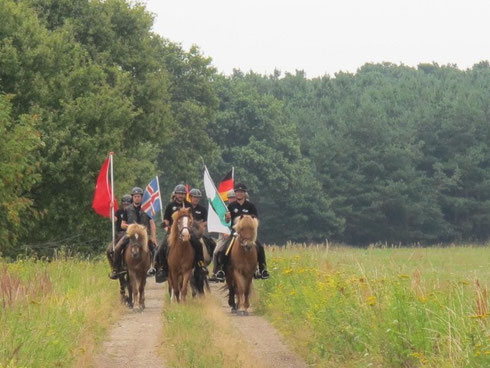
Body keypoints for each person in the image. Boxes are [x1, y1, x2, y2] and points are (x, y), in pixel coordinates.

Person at [211, 183, 269, 281]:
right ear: (235, 193)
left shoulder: (251, 206)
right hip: (235, 233)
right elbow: (226, 222)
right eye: (237, 192)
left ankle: (263, 269)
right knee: (224, 249)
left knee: (260, 247)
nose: (239, 194)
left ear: (244, 193)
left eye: (241, 192)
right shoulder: (231, 206)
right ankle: (221, 270)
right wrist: (227, 219)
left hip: (248, 234)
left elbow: (256, 220)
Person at [154, 184, 208, 282]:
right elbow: (166, 219)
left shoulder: (189, 205)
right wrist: (166, 225)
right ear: (175, 194)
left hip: (187, 231)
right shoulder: (171, 205)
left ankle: (200, 265)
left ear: (185, 195)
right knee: (162, 247)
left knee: (198, 244)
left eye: (183, 194)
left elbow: (193, 218)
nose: (181, 195)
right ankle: (162, 267)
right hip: (172, 232)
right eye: (179, 193)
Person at [109, 187, 157, 279]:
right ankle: (116, 269)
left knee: (154, 248)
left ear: (141, 197)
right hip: (130, 235)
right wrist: (131, 227)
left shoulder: (147, 208)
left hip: (144, 236)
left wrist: (154, 237)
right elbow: (122, 225)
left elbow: (152, 223)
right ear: (133, 197)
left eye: (138, 196)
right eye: (135, 196)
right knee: (118, 247)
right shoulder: (127, 209)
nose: (137, 198)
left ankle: (153, 268)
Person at [209, 189, 236, 282]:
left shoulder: (239, 208)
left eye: (233, 198)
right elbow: (221, 222)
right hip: (224, 234)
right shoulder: (224, 210)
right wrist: (225, 231)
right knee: (216, 252)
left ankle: (257, 269)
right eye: (230, 198)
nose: (231, 200)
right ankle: (216, 272)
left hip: (236, 233)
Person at [106, 194, 131, 276]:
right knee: (109, 251)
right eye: (124, 204)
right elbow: (113, 219)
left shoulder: (133, 212)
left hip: (130, 234)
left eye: (128, 204)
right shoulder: (119, 212)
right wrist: (111, 208)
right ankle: (115, 268)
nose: (126, 206)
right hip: (119, 235)